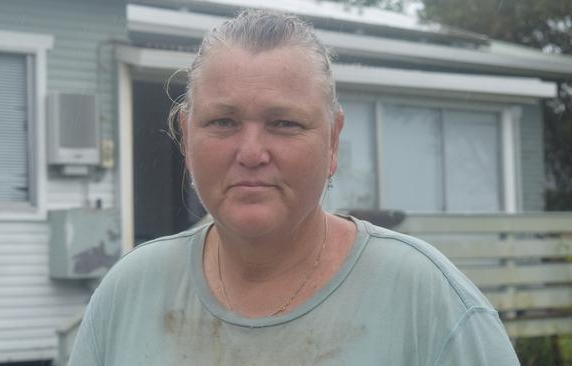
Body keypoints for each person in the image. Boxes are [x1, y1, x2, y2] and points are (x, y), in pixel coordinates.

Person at [68, 9, 519, 365]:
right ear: (187, 137)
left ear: (333, 139)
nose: (251, 151)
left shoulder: (429, 305)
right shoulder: (127, 295)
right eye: (223, 121)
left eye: (284, 123)